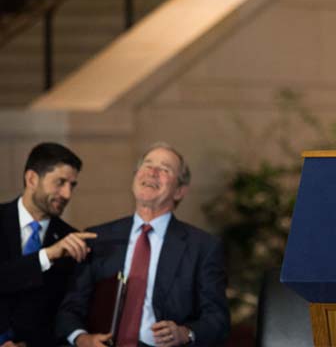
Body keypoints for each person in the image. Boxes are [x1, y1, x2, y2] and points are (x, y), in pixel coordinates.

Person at [56, 142, 230, 346]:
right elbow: (70, 309)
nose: (153, 172)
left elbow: (218, 320)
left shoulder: (203, 247)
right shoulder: (98, 238)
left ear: (179, 191)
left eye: (165, 169)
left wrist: (185, 333)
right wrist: (82, 339)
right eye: (147, 165)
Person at [0, 142, 96, 347]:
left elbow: (65, 313)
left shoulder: (72, 240)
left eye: (72, 185)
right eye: (60, 182)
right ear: (32, 178)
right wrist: (47, 255)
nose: (67, 194)